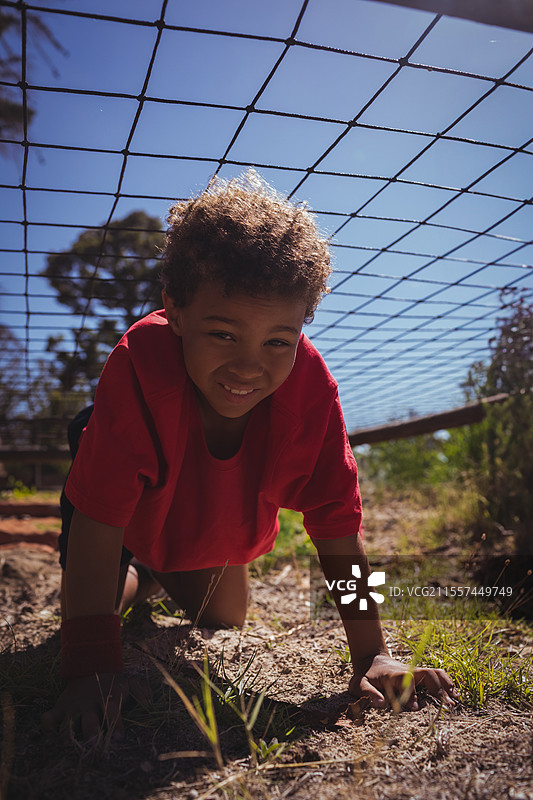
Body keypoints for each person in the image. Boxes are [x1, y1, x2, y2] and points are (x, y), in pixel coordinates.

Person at [42, 172, 458, 740]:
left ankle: (149, 567)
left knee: (224, 618)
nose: (247, 367)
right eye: (222, 334)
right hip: (119, 514)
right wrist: (91, 668)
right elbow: (97, 519)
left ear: (301, 331)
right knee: (102, 598)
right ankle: (131, 568)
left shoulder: (310, 392)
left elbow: (338, 522)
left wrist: (373, 655)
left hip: (206, 510)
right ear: (176, 311)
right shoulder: (138, 368)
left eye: (276, 342)